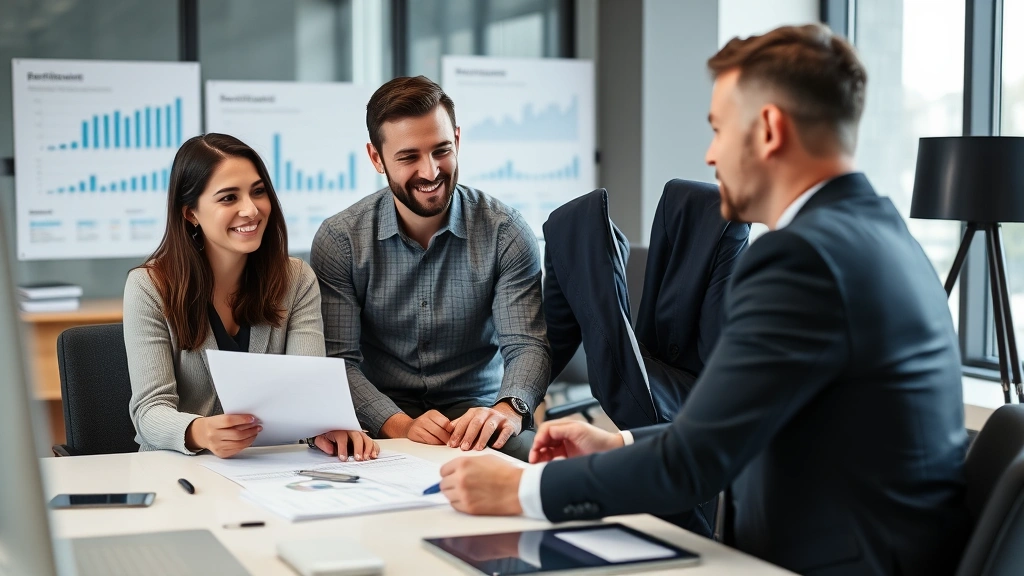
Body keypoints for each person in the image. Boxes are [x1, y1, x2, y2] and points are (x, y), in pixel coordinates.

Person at [437, 24, 970, 576]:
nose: (711, 155)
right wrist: (619, 443)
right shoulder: (880, 233)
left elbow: (696, 463)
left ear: (767, 129)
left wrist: (524, 488)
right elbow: (732, 427)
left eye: (718, 129)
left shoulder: (802, 259)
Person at [311, 76, 550, 461]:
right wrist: (401, 424)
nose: (431, 171)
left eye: (441, 150)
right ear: (377, 158)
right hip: (379, 418)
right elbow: (339, 363)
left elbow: (526, 344)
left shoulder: (505, 231)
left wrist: (507, 410)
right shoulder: (341, 240)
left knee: (534, 465)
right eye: (409, 157)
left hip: (476, 415)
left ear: (457, 139)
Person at [124, 133, 377, 460]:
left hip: (275, 469)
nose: (251, 210)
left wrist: (326, 427)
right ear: (191, 214)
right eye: (228, 198)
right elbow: (148, 411)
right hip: (179, 469)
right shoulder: (150, 286)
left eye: (258, 192)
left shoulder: (296, 280)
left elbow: (306, 393)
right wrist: (201, 432)